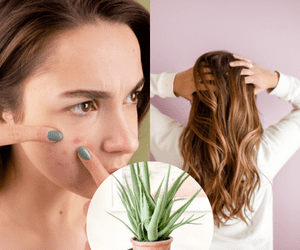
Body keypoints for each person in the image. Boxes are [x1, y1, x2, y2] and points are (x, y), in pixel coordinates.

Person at [0, 0, 149, 249]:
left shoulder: (163, 226)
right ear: (4, 108)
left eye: (132, 96)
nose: (129, 141)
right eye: (85, 105)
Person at [150, 51, 300, 250]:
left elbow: (127, 99)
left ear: (194, 97)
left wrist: (173, 83)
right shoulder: (264, 154)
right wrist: (274, 80)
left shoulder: (175, 147)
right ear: (248, 100)